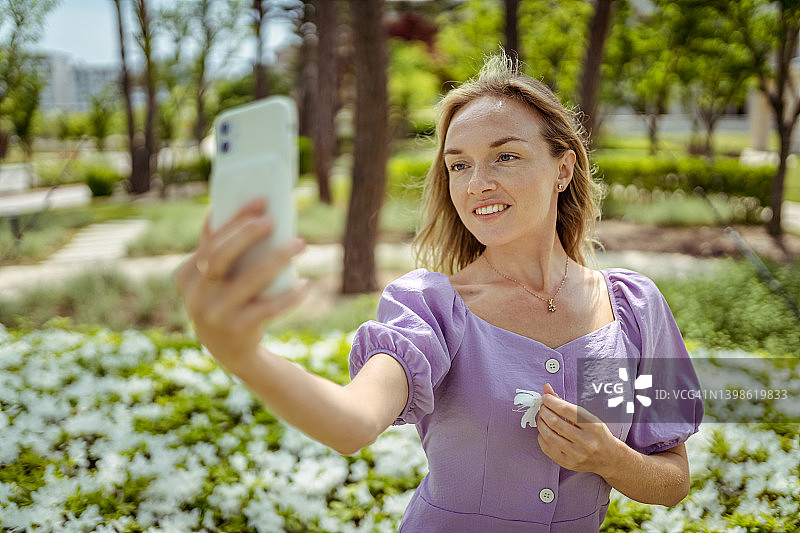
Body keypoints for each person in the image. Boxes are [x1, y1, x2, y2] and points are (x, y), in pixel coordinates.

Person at [177, 55, 703, 532]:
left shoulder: (635, 307)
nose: (476, 184)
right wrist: (244, 356)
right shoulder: (430, 308)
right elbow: (351, 423)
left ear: (562, 170)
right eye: (459, 165)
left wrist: (610, 459)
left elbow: (673, 479)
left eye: (505, 157)